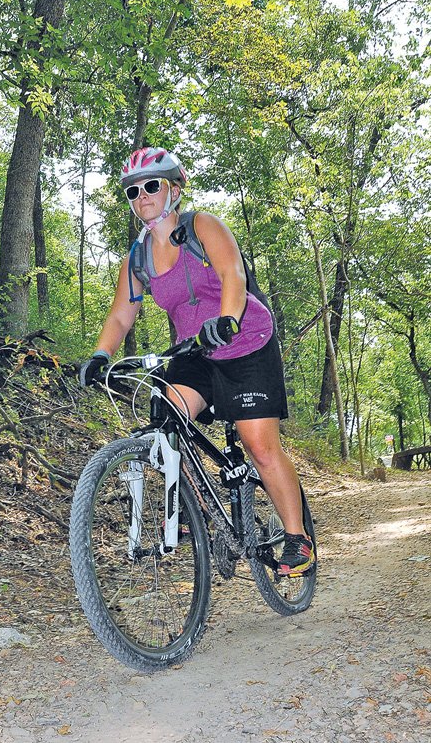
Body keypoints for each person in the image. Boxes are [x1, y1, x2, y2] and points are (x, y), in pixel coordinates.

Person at [79, 147, 315, 576]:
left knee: (259, 446)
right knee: (165, 416)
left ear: (173, 188)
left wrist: (226, 319)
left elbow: (233, 275)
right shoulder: (137, 257)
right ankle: (193, 509)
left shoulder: (202, 226)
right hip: (195, 351)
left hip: (246, 342)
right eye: (133, 191)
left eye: (151, 185)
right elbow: (120, 314)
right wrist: (100, 355)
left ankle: (297, 536)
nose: (142, 195)